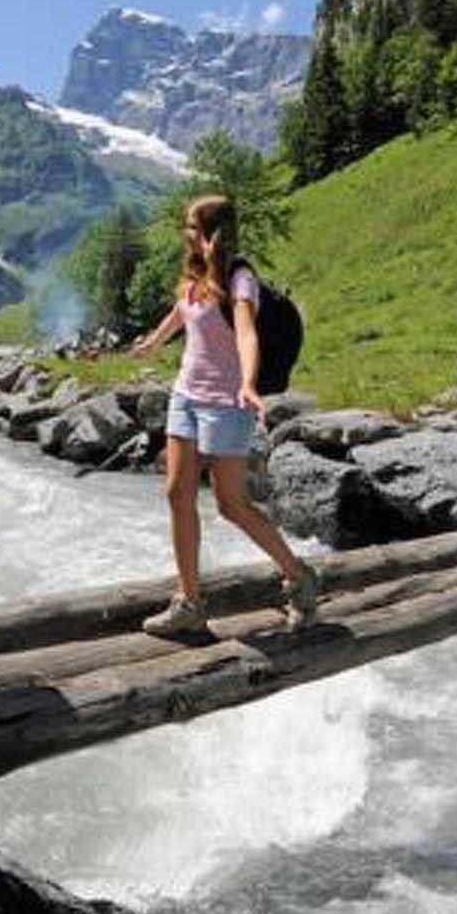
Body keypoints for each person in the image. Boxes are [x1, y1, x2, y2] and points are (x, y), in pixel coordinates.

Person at [131, 194, 320, 635]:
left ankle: (299, 577)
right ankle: (189, 602)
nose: (186, 234)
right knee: (178, 494)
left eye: (193, 228)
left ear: (214, 234)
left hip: (224, 403)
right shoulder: (193, 277)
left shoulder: (240, 279)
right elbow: (182, 311)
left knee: (231, 504)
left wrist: (249, 384)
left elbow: (247, 333)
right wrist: (154, 342)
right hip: (185, 396)